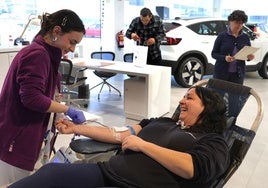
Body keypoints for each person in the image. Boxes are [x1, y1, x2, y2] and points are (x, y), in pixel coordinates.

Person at [8, 86, 230, 188]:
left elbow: (193, 168)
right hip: (107, 173)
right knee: (51, 172)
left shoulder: (213, 141)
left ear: (207, 108)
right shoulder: (164, 122)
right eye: (183, 96)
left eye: (189, 98)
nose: (181, 101)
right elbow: (119, 135)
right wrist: (76, 129)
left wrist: (142, 145)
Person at [0, 9, 87, 186]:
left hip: (30, 135)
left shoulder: (48, 56)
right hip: (16, 139)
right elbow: (31, 98)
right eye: (72, 42)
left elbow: (47, 94)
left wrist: (58, 115)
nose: (72, 49)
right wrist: (67, 109)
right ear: (56, 32)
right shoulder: (37, 54)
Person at [211, 10, 255, 84]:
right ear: (230, 21)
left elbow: (248, 54)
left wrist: (250, 57)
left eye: (241, 23)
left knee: (235, 95)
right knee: (218, 95)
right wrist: (224, 58)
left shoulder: (245, 37)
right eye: (237, 22)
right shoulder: (222, 36)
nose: (239, 25)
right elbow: (214, 53)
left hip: (238, 75)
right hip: (221, 73)